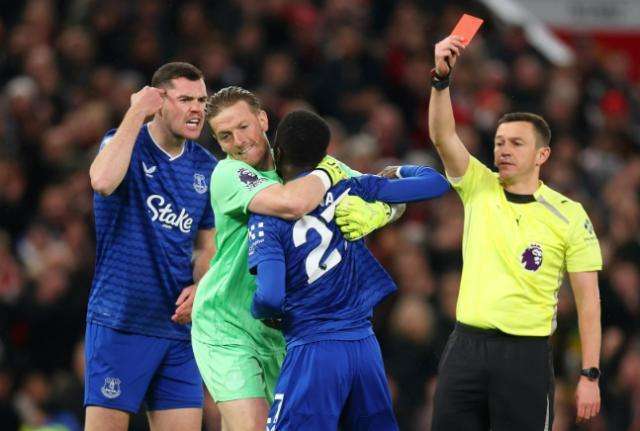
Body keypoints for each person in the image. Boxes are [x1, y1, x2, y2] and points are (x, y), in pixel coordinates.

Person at [191, 87, 401, 431]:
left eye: (243, 127)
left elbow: (390, 189)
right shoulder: (228, 174)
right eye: (225, 136)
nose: (238, 142)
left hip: (283, 332)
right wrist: (328, 173)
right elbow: (290, 204)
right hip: (228, 327)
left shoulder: (301, 161)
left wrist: (381, 213)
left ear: (262, 120)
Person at [428, 36, 603, 430]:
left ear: (542, 155)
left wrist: (590, 374)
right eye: (499, 143)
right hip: (466, 348)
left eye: (517, 144)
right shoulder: (478, 185)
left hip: (526, 356)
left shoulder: (569, 215)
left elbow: (588, 301)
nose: (504, 150)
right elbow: (443, 136)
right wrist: (440, 80)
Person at [247, 110, 450, 430]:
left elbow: (270, 297)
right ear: (324, 157)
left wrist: (259, 311)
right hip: (364, 348)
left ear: (278, 152)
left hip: (313, 349)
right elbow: (436, 183)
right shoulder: (351, 188)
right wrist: (399, 170)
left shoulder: (267, 212)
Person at [86, 62, 216, 431]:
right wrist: (135, 112)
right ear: (158, 102)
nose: (197, 109)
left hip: (178, 329)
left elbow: (208, 246)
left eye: (202, 101)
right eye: (185, 99)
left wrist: (201, 286)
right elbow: (102, 181)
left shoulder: (206, 168)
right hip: (121, 321)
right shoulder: (122, 143)